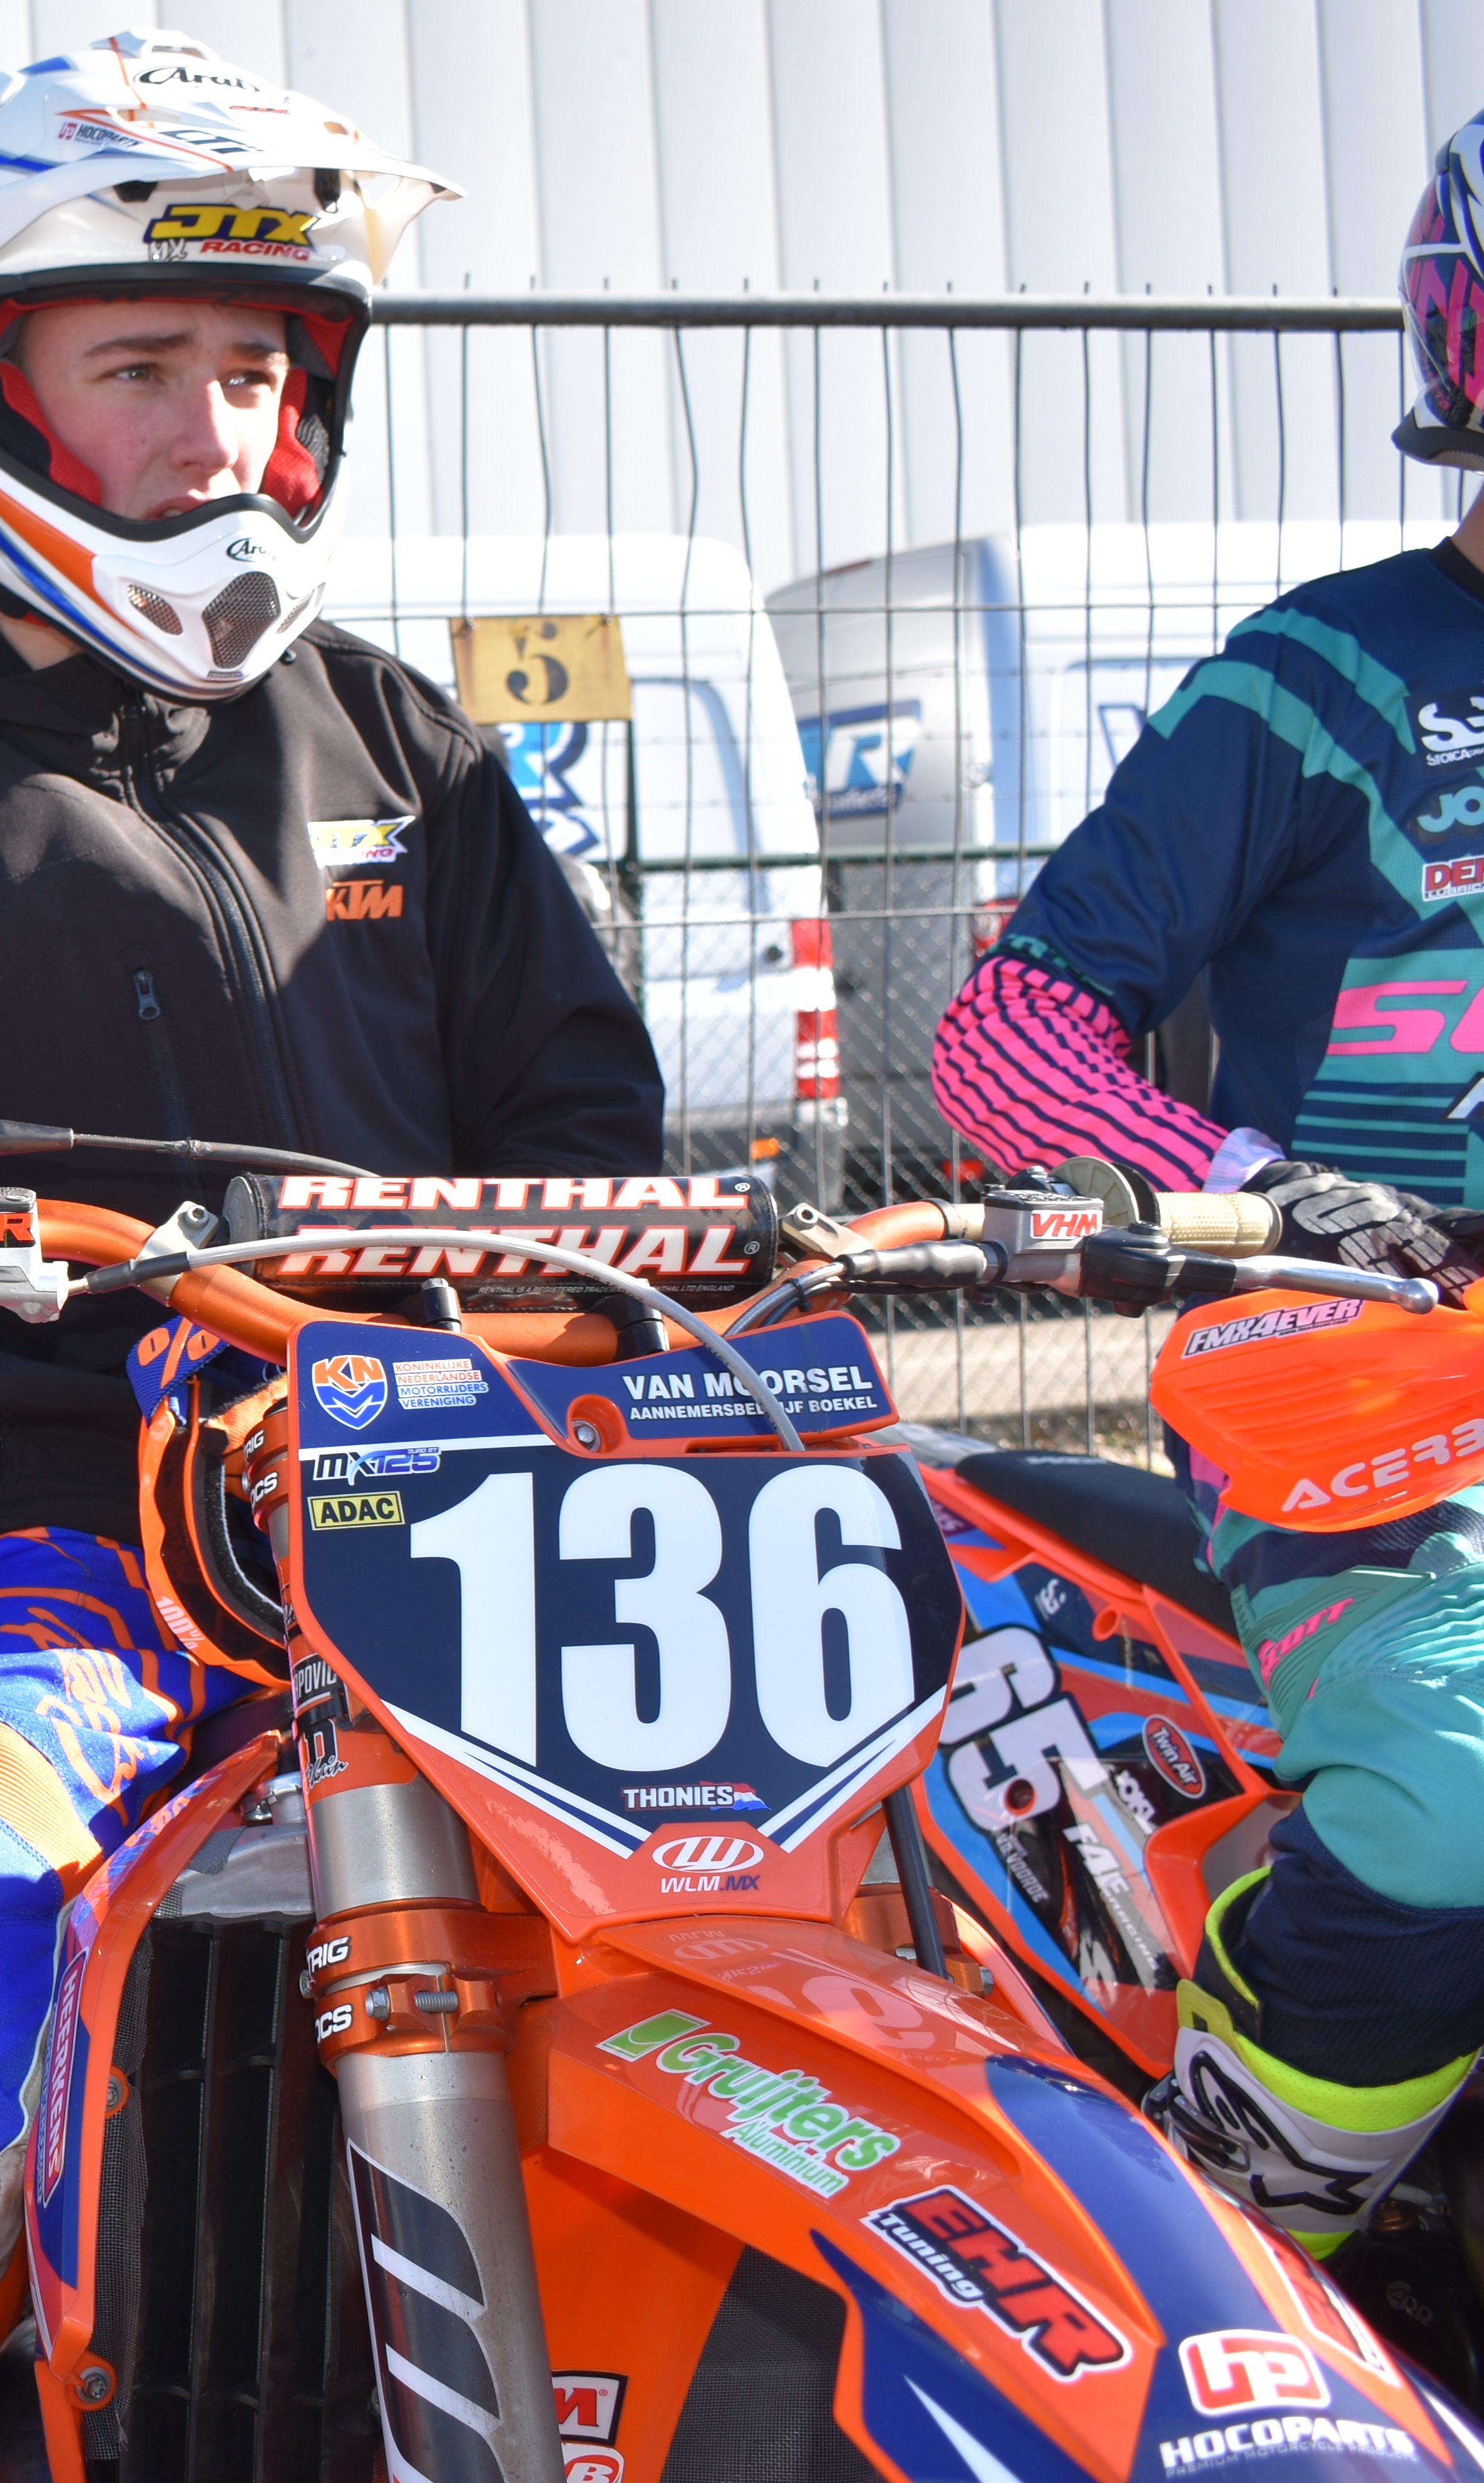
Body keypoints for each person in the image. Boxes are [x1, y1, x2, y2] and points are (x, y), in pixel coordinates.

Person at [0, 35, 666, 2469]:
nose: (218, 429)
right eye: (141, 365)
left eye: (258, 366)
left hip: (487, 1553)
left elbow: (595, 1149)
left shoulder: (408, 752)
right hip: (75, 1583)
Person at [926, 107, 1484, 2258]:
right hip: (1368, 1407)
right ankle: (1233, 2256)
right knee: (1459, 1791)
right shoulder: (1321, 677)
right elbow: (1005, 1040)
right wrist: (1266, 1183)